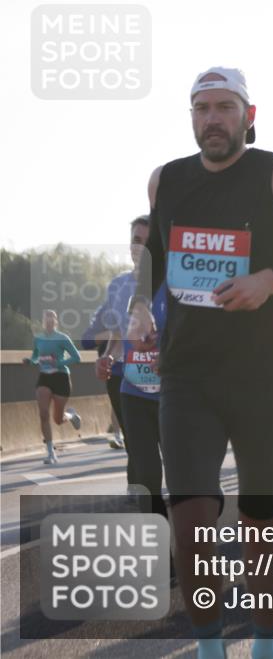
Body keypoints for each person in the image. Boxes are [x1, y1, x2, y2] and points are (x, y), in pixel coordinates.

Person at [127, 67, 273, 659]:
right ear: (191, 117)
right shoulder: (166, 180)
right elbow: (156, 255)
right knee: (191, 524)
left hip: (265, 377)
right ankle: (207, 646)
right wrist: (140, 306)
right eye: (201, 108)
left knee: (258, 526)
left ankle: (265, 642)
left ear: (249, 114)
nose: (212, 118)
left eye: (225, 107)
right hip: (187, 376)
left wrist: (272, 279)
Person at [98, 284, 170, 521]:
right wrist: (108, 356)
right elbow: (118, 336)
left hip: (171, 398)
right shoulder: (126, 297)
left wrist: (168, 355)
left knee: (179, 471)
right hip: (134, 395)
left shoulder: (176, 298)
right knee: (147, 471)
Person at [82, 215, 152, 459]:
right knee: (136, 443)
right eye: (136, 240)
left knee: (169, 445)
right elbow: (117, 332)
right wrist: (108, 357)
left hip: (161, 373)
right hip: (124, 374)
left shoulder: (171, 281)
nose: (141, 247)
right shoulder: (118, 285)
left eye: (148, 240)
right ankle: (141, 493)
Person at [23, 310, 83, 465]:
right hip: (44, 377)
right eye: (46, 318)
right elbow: (36, 356)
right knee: (43, 414)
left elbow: (77, 358)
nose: (49, 321)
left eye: (52, 318)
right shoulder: (38, 338)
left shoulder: (62, 338)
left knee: (58, 419)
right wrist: (31, 361)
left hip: (61, 377)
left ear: (55, 321)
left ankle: (71, 416)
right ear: (43, 321)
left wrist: (59, 363)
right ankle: (50, 453)